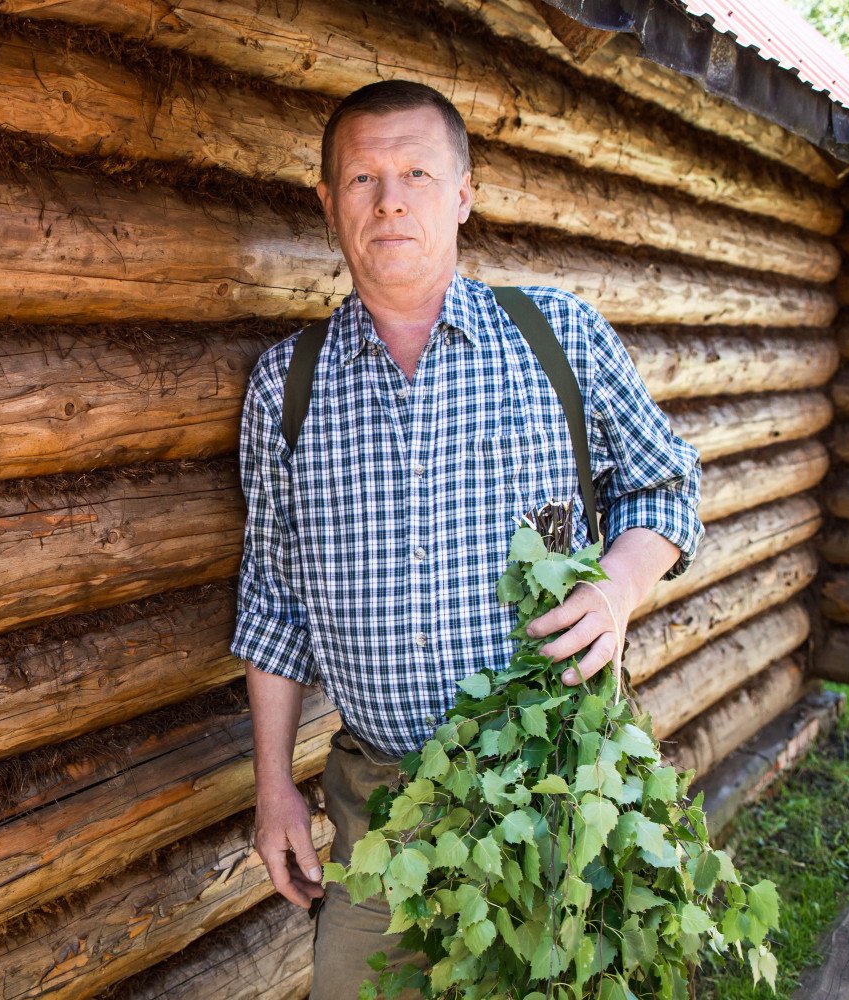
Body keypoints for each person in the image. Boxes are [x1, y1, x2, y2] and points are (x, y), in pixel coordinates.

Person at [230, 80, 705, 999]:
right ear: (328, 205)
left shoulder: (555, 338)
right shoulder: (284, 390)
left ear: (463, 193)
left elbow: (667, 486)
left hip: (554, 791)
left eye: (416, 171)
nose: (390, 198)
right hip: (380, 808)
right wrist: (274, 786)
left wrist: (617, 590)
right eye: (361, 177)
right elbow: (275, 604)